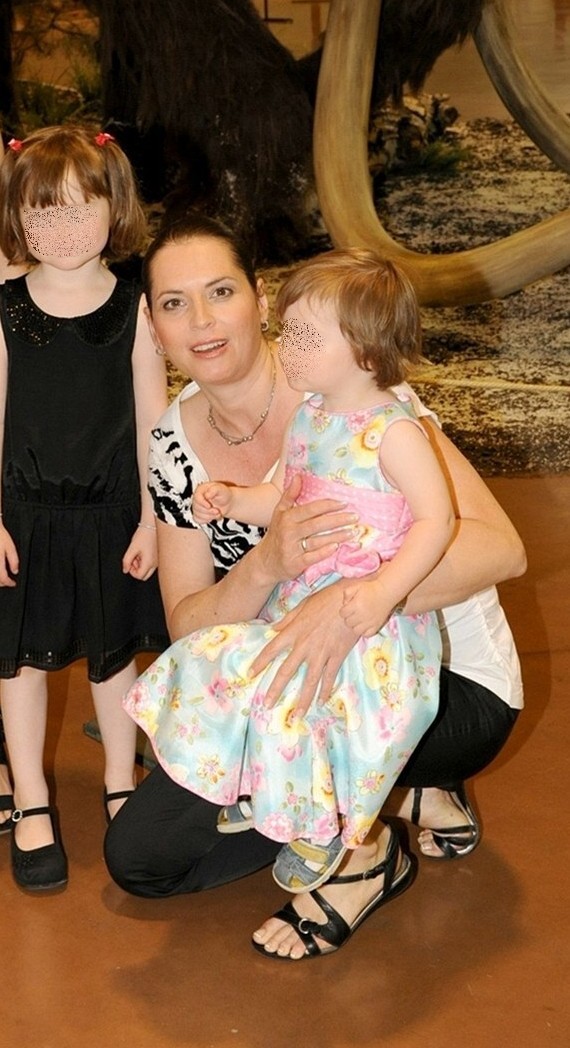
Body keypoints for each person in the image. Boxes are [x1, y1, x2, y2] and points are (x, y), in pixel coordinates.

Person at [104, 212, 525, 961]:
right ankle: (362, 803)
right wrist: (266, 564)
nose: (201, 321)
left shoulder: (354, 391)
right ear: (153, 325)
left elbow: (503, 550)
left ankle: (365, 852)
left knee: (302, 734)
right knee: (141, 858)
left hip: (430, 679)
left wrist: (353, 601)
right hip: (293, 679)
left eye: (220, 292)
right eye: (173, 303)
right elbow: (189, 623)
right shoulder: (172, 445)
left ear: (261, 301)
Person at [124, 249, 455, 894]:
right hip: (302, 594)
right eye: (290, 331)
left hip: (369, 618)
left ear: (364, 351)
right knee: (237, 665)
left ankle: (327, 828)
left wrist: (383, 591)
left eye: (305, 337)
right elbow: (286, 496)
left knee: (308, 705)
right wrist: (234, 501)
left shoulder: (394, 430)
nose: (289, 346)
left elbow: (436, 522)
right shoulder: (311, 417)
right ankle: (257, 782)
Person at [0, 125, 170, 893]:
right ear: (16, 216)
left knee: (113, 655)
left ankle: (119, 781)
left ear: (116, 206)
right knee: (20, 660)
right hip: (24, 516)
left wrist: (153, 519)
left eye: (80, 208)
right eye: (43, 212)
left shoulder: (134, 307)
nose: (62, 229)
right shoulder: (6, 308)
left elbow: (152, 420)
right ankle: (31, 799)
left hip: (111, 515)